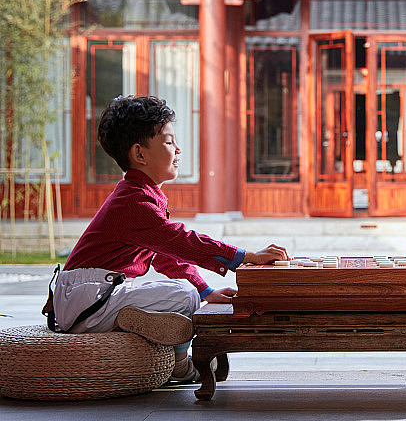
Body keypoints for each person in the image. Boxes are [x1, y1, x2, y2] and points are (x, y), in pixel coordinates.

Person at [52, 95, 289, 383]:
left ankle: (137, 322)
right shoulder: (134, 203)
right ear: (140, 154)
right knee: (182, 296)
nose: (178, 149)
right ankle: (178, 362)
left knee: (187, 294)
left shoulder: (139, 195)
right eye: (168, 142)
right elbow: (182, 240)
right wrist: (245, 256)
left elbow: (166, 255)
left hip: (89, 297)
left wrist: (206, 291)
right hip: (88, 301)